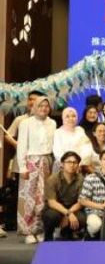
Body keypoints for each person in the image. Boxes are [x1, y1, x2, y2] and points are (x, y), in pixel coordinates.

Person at [17, 95, 56, 244]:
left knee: (44, 196)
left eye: (46, 106)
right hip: (31, 162)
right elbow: (21, 146)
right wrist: (22, 166)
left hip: (47, 161)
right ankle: (28, 231)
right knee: (29, 197)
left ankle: (40, 229)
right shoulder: (26, 123)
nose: (44, 108)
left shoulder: (52, 123)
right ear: (34, 107)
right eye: (40, 106)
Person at [42, 151, 85, 241]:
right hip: (55, 209)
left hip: (73, 208)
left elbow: (81, 201)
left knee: (83, 219)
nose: (72, 165)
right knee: (51, 216)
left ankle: (67, 233)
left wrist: (69, 213)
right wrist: (68, 213)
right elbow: (52, 202)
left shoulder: (81, 179)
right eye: (69, 162)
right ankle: (48, 236)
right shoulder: (53, 179)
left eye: (75, 162)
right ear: (62, 164)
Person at [78, 149, 105, 239]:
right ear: (100, 161)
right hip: (94, 212)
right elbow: (82, 200)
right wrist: (101, 206)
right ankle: (89, 237)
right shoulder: (90, 178)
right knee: (96, 225)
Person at [52, 107, 94, 172]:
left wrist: (80, 163)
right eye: (67, 116)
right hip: (63, 166)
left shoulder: (80, 130)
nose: (71, 118)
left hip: (80, 165)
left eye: (73, 116)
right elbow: (57, 151)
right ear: (63, 118)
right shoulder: (58, 132)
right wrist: (69, 164)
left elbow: (87, 148)